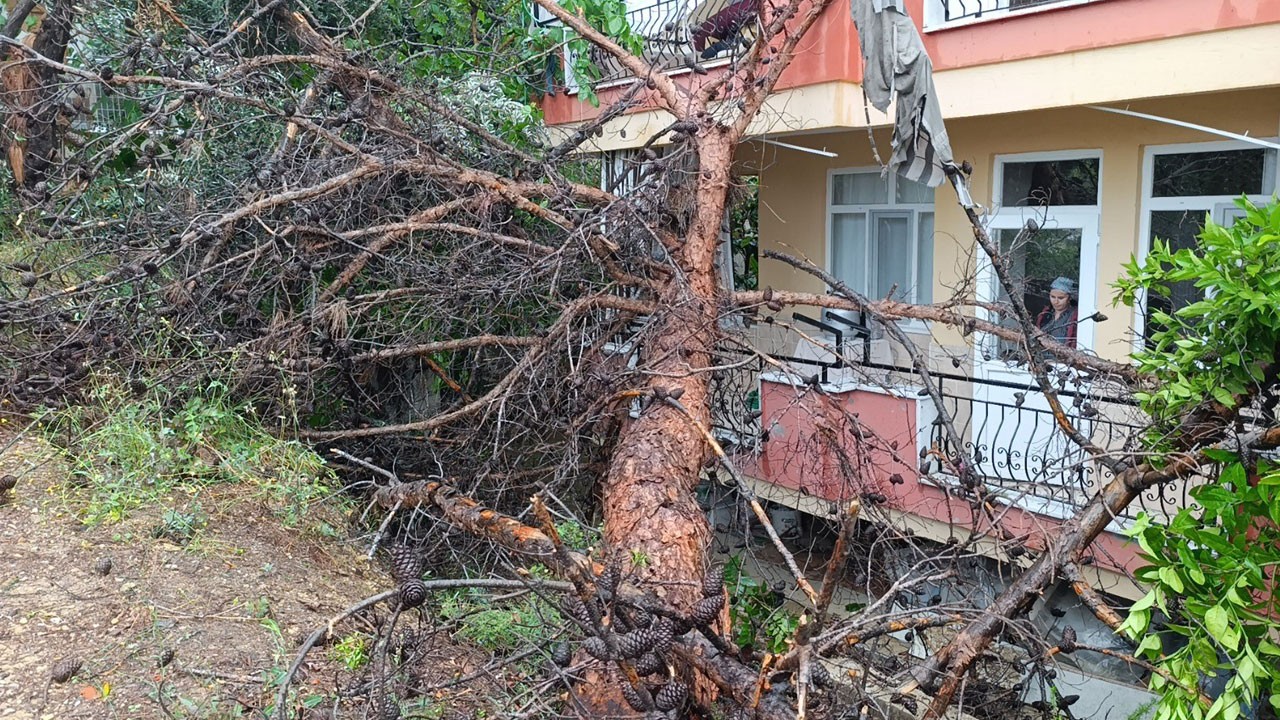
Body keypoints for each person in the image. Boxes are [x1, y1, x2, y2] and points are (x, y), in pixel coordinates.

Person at [1036, 276, 1078, 347]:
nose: (1056, 301)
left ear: (1069, 298)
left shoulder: (1074, 316)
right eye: (1052, 297)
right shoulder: (1045, 314)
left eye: (1060, 298)